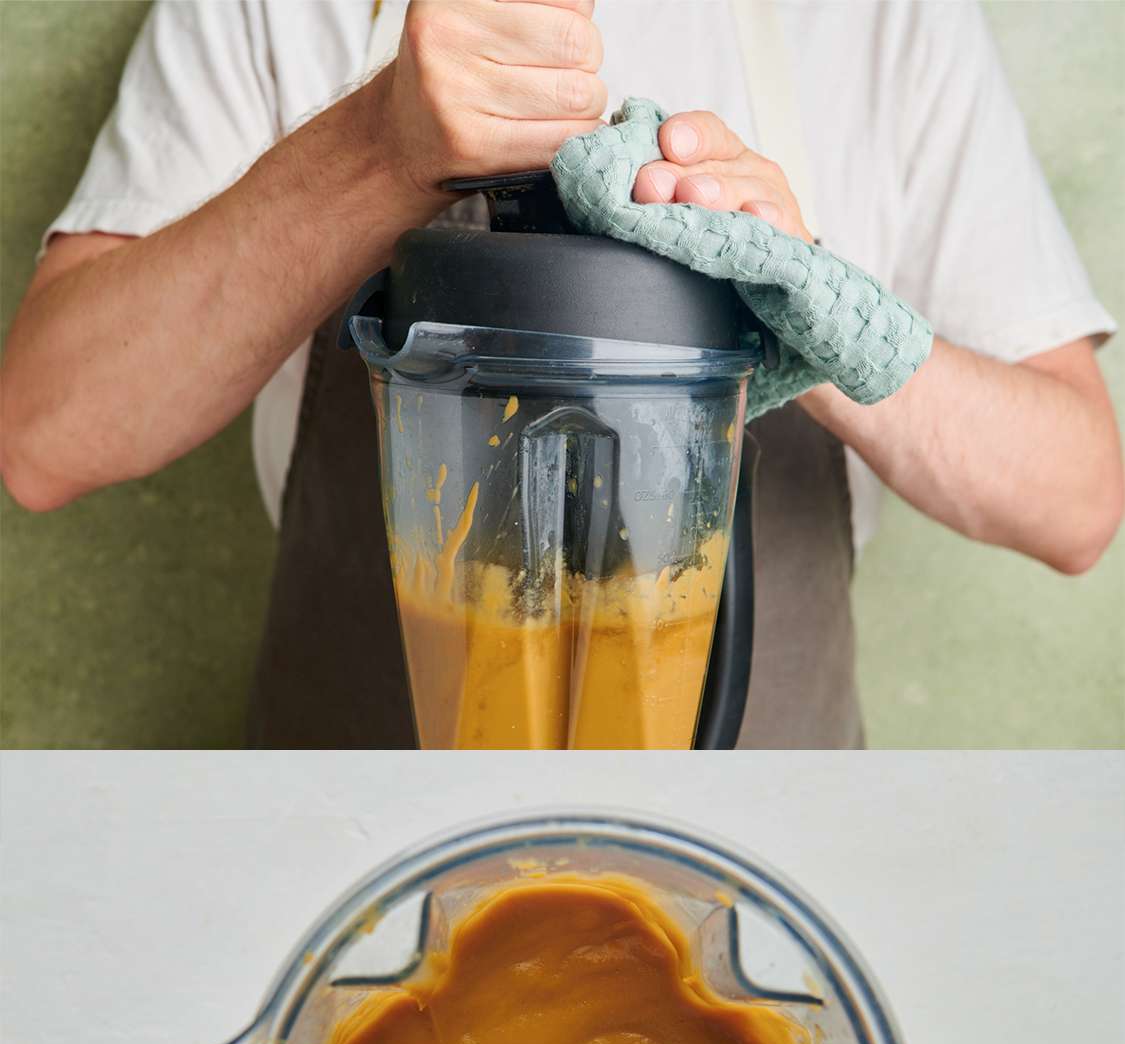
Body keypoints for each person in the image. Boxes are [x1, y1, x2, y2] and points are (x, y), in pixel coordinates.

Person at [2, 0, 1121, 749]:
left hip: (769, 838)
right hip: (349, 832)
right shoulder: (276, 13)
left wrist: (794, 293)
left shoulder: (885, 23)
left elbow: (1075, 500)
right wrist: (371, 152)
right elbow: (48, 433)